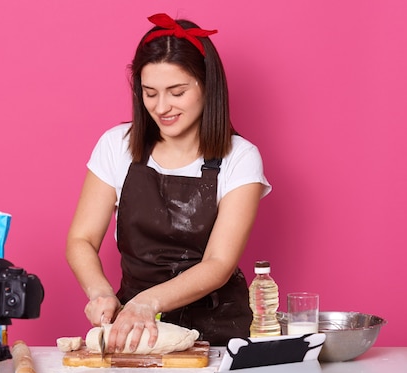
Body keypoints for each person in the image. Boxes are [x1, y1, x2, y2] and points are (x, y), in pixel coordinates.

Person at [66, 13, 271, 351]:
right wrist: (100, 291)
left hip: (218, 331)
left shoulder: (241, 157)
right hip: (134, 330)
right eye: (150, 93)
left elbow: (219, 264)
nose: (162, 107)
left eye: (177, 92)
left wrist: (147, 302)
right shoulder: (117, 145)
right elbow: (81, 238)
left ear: (207, 86)